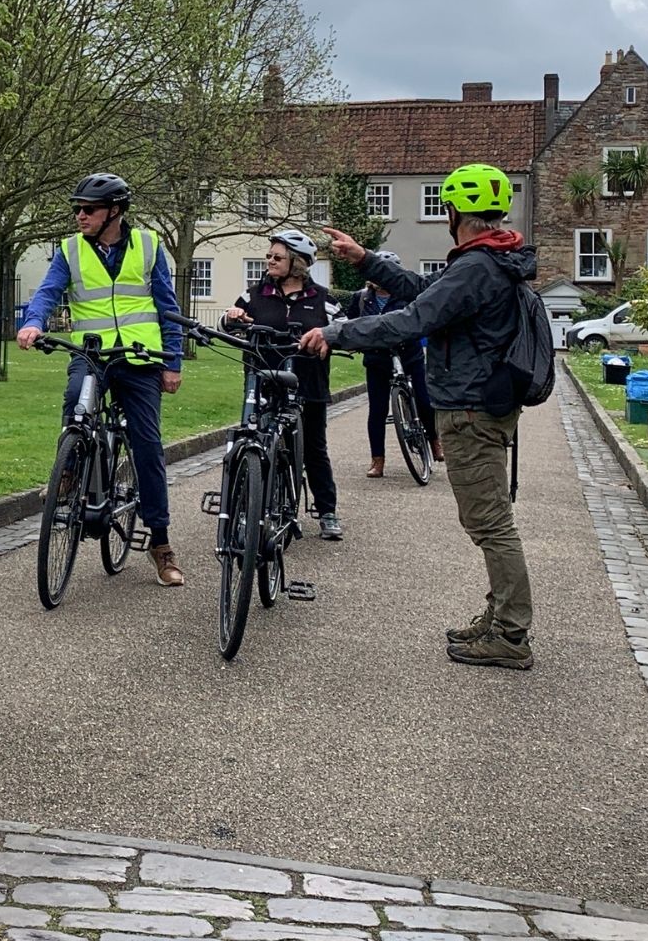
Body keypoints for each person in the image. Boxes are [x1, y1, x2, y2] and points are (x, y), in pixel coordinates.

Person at [299, 162, 539, 671]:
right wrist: (366, 260)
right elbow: (422, 291)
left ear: (455, 212)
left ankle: (512, 634)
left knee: (491, 525)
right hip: (481, 402)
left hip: (472, 408)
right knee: (487, 521)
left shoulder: (478, 266)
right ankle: (500, 618)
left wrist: (339, 333)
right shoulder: (491, 260)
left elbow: (413, 320)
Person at [16, 173, 186, 586]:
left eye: (88, 209)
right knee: (76, 400)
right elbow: (47, 292)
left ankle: (160, 544)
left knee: (147, 445)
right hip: (90, 355)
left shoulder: (148, 246)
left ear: (114, 211)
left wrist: (173, 361)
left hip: (140, 358)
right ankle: (70, 469)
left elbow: (167, 306)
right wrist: (33, 322)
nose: (80, 216)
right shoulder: (70, 250)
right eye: (77, 209)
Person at [227, 230, 342, 539]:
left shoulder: (323, 299)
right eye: (269, 257)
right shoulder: (254, 295)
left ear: (298, 263)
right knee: (257, 440)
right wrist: (233, 315)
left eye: (277, 257)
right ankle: (252, 506)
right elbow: (229, 321)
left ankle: (327, 510)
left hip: (308, 385)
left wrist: (331, 339)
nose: (270, 262)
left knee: (313, 449)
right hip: (263, 381)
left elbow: (342, 329)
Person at [342, 251, 439, 477]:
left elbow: (420, 320)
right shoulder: (362, 297)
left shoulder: (406, 296)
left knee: (425, 401)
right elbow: (352, 323)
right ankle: (378, 460)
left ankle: (434, 440)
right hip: (377, 359)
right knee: (377, 410)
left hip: (409, 356)